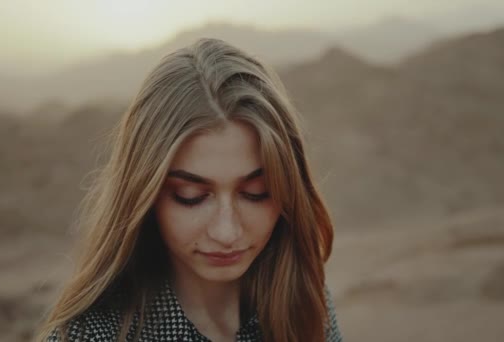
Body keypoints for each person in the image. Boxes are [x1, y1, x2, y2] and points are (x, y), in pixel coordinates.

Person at [37, 38, 342, 342]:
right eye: (191, 197)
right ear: (146, 195)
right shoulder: (89, 338)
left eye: (256, 192)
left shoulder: (304, 301)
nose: (226, 232)